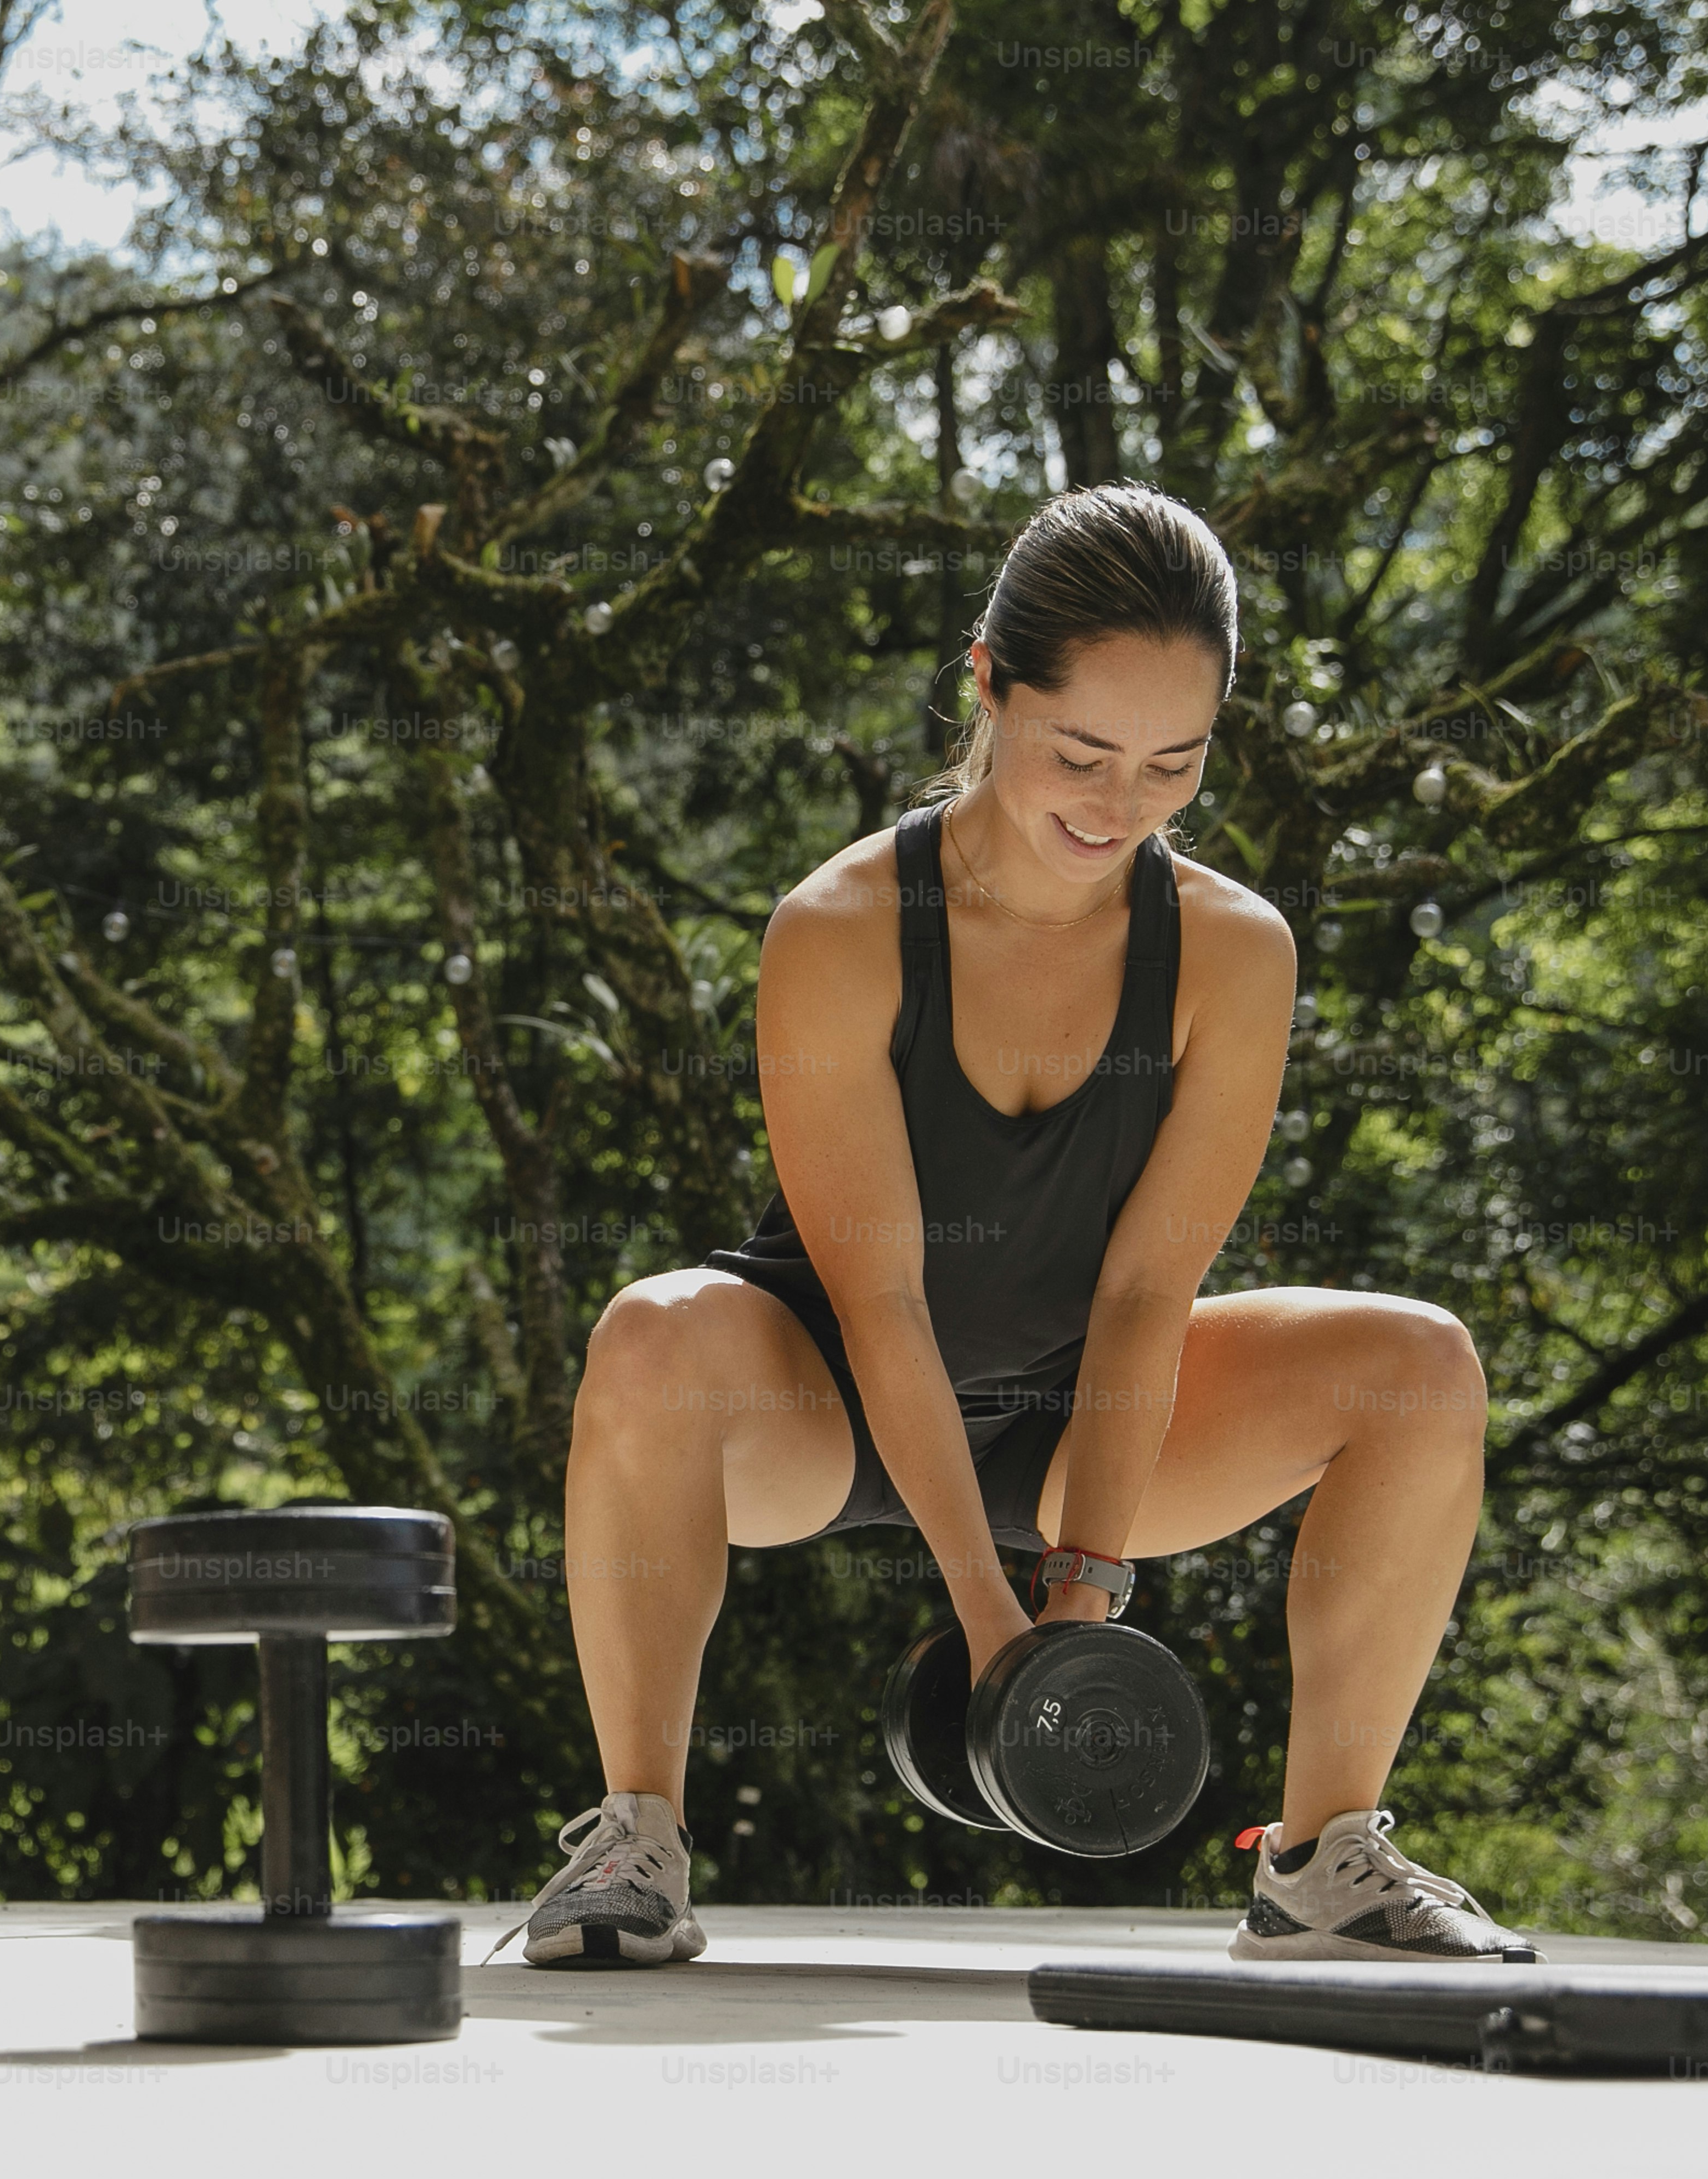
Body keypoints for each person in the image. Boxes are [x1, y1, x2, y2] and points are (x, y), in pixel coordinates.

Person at [511, 483, 1534, 1968]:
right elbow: (884, 1303)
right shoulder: (842, 927)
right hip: (824, 1395)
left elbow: (1142, 1296)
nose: (1118, 805)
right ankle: (634, 1842)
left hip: (1081, 1416)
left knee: (1421, 1368)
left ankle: (1324, 1857)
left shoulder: (1231, 954)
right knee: (651, 1335)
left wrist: (1081, 1593)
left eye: (1172, 763)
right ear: (988, 680)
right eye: (1081, 752)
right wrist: (985, 1619)